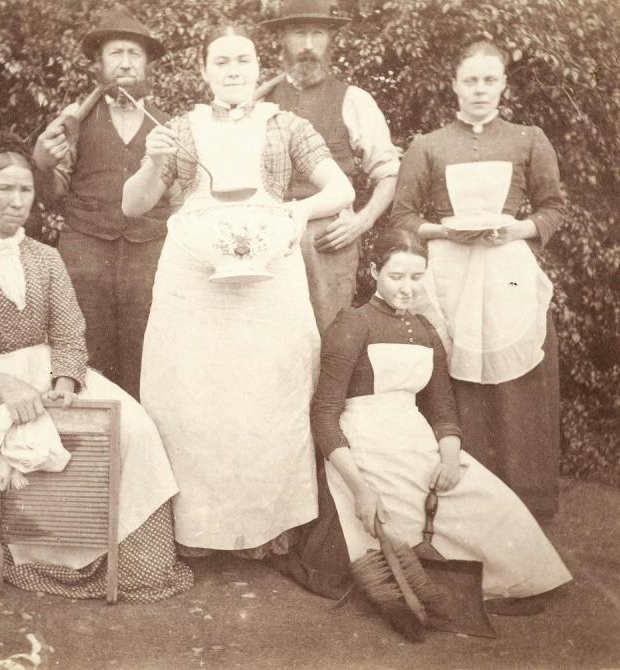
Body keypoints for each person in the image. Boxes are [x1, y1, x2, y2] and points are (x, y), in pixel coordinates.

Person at [122, 25, 355, 559]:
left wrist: (297, 210)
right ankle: (195, 532)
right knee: (193, 396)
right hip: (193, 281)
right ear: (203, 71)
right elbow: (134, 206)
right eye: (221, 62)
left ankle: (266, 529)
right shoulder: (178, 129)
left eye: (243, 61)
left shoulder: (287, 126)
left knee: (267, 394)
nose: (233, 71)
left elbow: (341, 188)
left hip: (269, 274)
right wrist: (155, 159)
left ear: (257, 67)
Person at [0, 136, 192, 602]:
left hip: (51, 373)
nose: (16, 202)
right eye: (4, 189)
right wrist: (3, 383)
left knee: (134, 427)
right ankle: (39, 550)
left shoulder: (46, 258)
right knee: (20, 450)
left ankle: (132, 562)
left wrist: (67, 380)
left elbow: (70, 335)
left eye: (26, 190)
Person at [312, 229, 571, 602]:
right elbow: (323, 416)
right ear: (373, 271)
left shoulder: (425, 331)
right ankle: (457, 589)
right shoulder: (352, 325)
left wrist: (450, 455)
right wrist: (360, 488)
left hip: (416, 440)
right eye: (396, 276)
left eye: (417, 277)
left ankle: (507, 586)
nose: (407, 288)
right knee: (409, 519)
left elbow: (442, 407)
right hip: (364, 446)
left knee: (495, 503)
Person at [391, 40, 565, 519]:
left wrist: (517, 229)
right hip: (451, 273)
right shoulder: (428, 145)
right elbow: (403, 217)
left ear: (504, 85)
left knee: (517, 385)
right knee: (454, 378)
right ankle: (463, 505)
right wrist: (445, 231)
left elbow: (553, 208)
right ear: (454, 86)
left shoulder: (529, 139)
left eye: (490, 80)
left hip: (507, 268)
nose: (480, 89)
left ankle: (526, 503)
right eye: (471, 80)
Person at [31, 8, 173, 400]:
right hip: (85, 255)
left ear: (147, 65)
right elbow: (52, 193)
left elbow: (179, 198)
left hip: (150, 255)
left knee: (148, 358)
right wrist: (41, 163)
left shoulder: (167, 125)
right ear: (98, 64)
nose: (125, 63)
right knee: (88, 358)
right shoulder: (72, 122)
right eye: (115, 54)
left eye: (135, 54)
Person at [261, 0, 400, 335]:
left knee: (330, 338)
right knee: (272, 337)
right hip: (270, 236)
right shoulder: (259, 102)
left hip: (328, 240)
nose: (308, 45)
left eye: (317, 34)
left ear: (330, 40)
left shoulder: (353, 99)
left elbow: (389, 172)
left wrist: (361, 221)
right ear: (282, 38)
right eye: (298, 33)